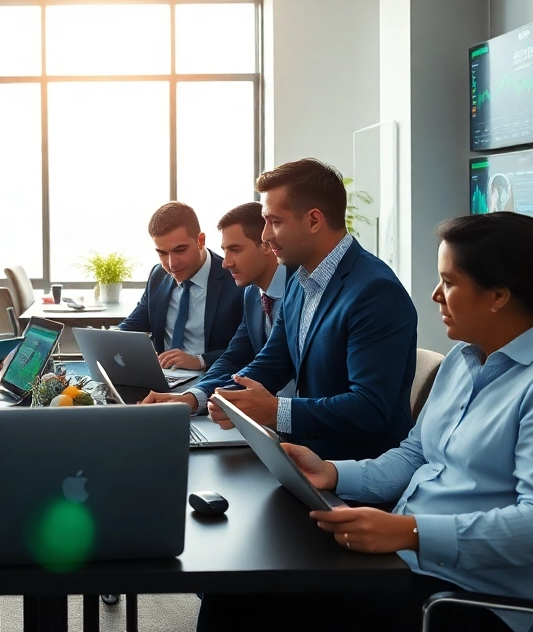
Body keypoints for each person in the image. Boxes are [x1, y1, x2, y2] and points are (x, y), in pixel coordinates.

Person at [201, 212, 533, 632]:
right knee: (239, 589)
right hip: (415, 565)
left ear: (498, 295)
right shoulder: (465, 360)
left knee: (253, 600)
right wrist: (334, 473)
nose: (435, 295)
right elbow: (417, 455)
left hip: (478, 602)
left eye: (449, 282)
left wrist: (410, 532)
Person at [202, 159, 417, 461]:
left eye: (274, 222)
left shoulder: (375, 291)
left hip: (353, 474)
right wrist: (229, 396)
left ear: (314, 220)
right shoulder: (299, 279)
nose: (265, 236)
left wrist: (278, 412)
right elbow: (273, 361)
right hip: (302, 458)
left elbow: (369, 408)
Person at [143, 202, 290, 410]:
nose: (226, 262)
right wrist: (194, 397)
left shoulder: (298, 291)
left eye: (235, 250)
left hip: (300, 418)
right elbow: (236, 357)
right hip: (259, 408)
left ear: (267, 244)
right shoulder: (253, 294)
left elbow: (268, 364)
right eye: (225, 250)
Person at [118, 202, 242, 371]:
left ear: (201, 240)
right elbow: (132, 327)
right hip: (164, 379)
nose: (171, 263)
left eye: (180, 250)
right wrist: (108, 340)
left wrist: (200, 360)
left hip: (212, 378)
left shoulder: (236, 279)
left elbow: (248, 349)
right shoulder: (158, 275)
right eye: (162, 253)